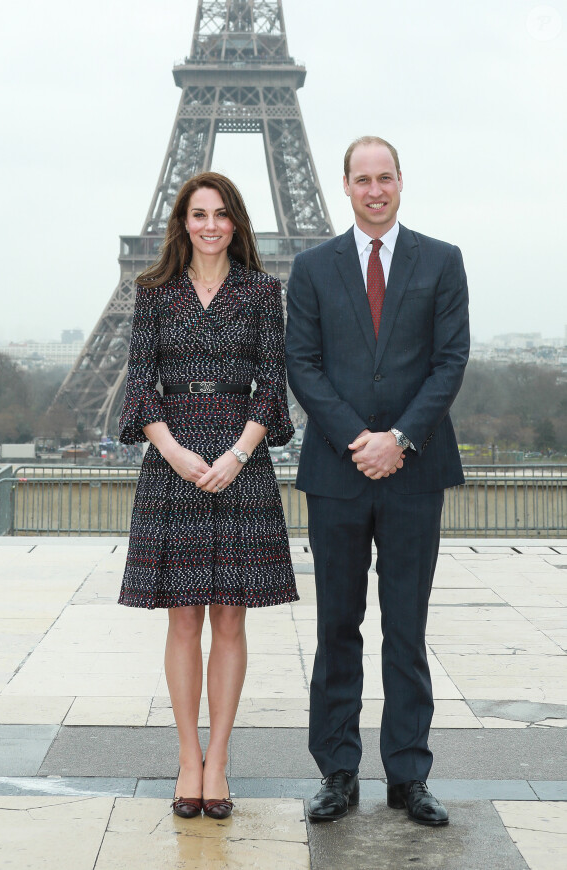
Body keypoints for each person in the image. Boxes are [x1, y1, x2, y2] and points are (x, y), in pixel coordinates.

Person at [285, 137, 469, 826]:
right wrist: (358, 439)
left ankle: (408, 776)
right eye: (362, 179)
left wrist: (401, 438)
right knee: (337, 626)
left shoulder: (442, 261)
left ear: (400, 182)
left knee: (406, 628)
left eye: (384, 177)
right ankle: (337, 771)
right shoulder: (312, 268)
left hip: (414, 469)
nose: (374, 190)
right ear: (344, 186)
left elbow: (450, 362)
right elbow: (301, 363)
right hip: (338, 470)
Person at [118, 171, 298, 820]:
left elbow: (272, 386)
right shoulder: (153, 293)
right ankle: (186, 756)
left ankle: (217, 759)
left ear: (237, 222)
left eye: (222, 214)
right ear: (182, 222)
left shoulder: (260, 292)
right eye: (199, 214)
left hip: (238, 457)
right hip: (175, 457)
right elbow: (140, 383)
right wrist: (173, 451)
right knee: (184, 616)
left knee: (229, 616)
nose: (211, 224)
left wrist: (238, 453)